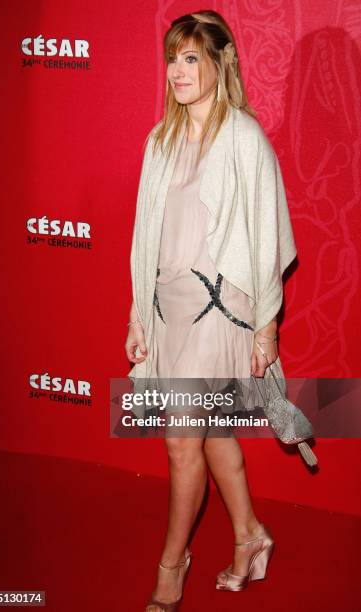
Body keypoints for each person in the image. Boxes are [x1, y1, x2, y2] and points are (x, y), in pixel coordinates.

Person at [125, 10, 297, 611]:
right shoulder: (161, 140)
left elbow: (267, 238)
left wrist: (267, 326)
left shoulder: (244, 139)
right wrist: (138, 315)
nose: (177, 70)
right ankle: (251, 535)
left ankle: (171, 567)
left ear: (220, 63)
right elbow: (147, 235)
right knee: (216, 432)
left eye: (191, 57)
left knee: (179, 442)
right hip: (169, 307)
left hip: (218, 311)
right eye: (172, 57)